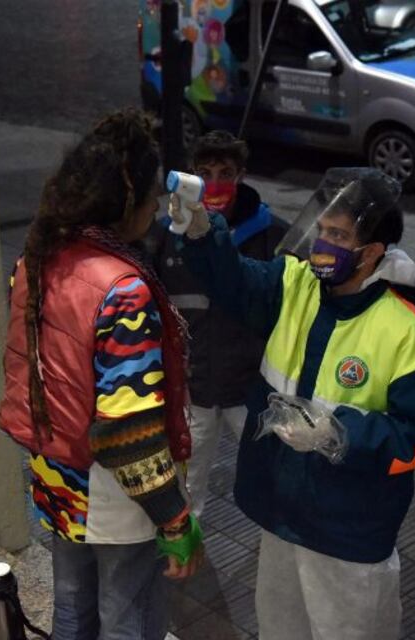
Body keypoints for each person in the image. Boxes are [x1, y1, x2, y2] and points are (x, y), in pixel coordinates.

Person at [168, 167, 415, 639]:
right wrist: (202, 233)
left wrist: (341, 433)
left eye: (338, 235)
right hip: (283, 512)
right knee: (281, 627)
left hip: (348, 531)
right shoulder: (296, 284)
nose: (322, 243)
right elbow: (237, 282)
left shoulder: (404, 329)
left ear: (373, 252)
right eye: (321, 228)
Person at [0, 109, 204, 640]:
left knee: (72, 606)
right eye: (152, 194)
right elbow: (125, 432)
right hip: (115, 491)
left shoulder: (38, 257)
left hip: (55, 470)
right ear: (124, 201)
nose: (158, 206)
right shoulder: (124, 291)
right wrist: (173, 515)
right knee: (127, 615)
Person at [147, 130, 286, 518]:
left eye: (226, 171)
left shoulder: (271, 234)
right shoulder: (164, 235)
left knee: (273, 473)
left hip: (253, 388)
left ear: (241, 175)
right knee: (186, 483)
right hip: (194, 388)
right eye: (205, 172)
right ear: (192, 174)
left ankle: (282, 545)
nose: (215, 182)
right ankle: (185, 549)